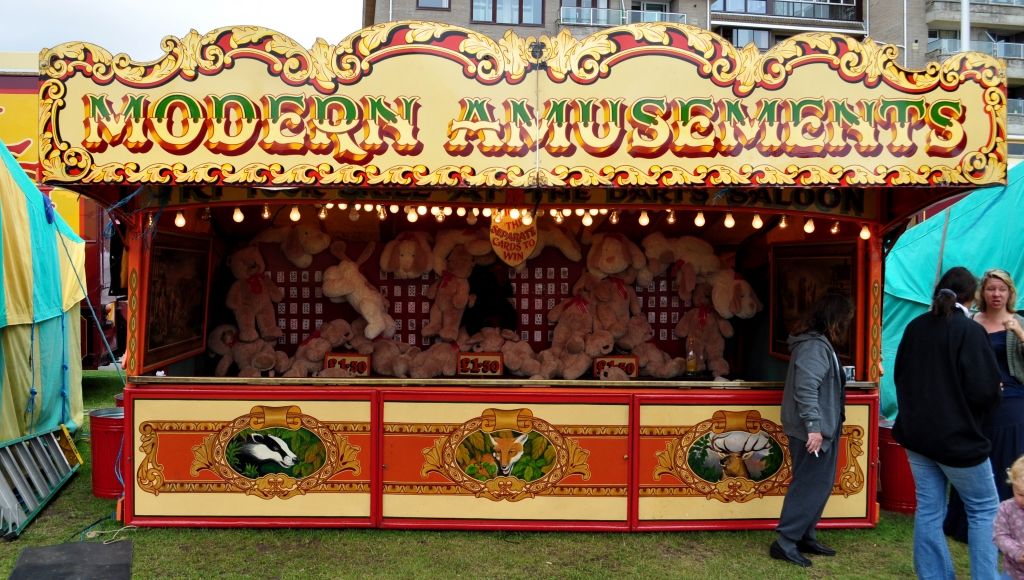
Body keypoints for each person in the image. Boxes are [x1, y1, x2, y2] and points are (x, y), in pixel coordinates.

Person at [894, 266, 1004, 580]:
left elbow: (901, 377)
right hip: (957, 440)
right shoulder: (969, 331)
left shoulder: (916, 326)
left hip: (918, 436)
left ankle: (934, 576)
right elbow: (984, 390)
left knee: (929, 509)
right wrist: (993, 393)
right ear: (974, 296)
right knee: (983, 509)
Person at [770, 292, 854, 568]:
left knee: (820, 483)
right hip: (812, 430)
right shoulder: (814, 348)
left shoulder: (818, 345)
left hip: (820, 427)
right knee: (810, 484)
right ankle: (785, 541)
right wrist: (814, 429)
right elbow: (806, 390)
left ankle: (805, 534)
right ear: (835, 320)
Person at [947, 269, 1024, 542]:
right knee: (976, 455)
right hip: (977, 401)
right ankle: (967, 524)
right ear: (982, 292)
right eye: (991, 289)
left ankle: (1008, 527)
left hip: (1012, 398)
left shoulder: (1018, 322)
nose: (996, 294)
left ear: (1010, 293)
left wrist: (1019, 333)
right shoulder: (972, 321)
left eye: (1002, 290)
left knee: (1007, 456)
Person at [994, 455, 1024, 579]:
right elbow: (1000, 535)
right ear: (1012, 486)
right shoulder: (1006, 508)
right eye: (1021, 494)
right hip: (1012, 572)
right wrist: (1017, 552)